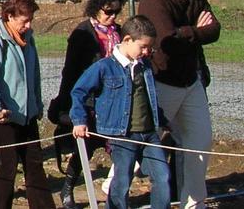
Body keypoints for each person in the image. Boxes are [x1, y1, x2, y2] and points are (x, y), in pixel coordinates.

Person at [140, 0, 220, 209]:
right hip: (163, 82)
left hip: (191, 81)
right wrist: (195, 32)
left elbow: (215, 29)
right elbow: (166, 42)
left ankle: (195, 203)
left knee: (200, 141)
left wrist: (188, 33)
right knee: (138, 143)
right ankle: (113, 193)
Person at [71, 15, 171, 209]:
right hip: (122, 135)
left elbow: (148, 97)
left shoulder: (146, 66)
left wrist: (162, 118)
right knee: (122, 180)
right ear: (127, 40)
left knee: (162, 176)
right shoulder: (104, 67)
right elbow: (79, 91)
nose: (146, 51)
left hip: (149, 134)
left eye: (149, 47)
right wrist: (79, 120)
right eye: (142, 46)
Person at [47, 0, 126, 208]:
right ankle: (67, 190)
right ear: (96, 9)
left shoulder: (119, 32)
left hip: (114, 102)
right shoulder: (82, 33)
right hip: (90, 100)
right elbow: (70, 71)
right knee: (85, 150)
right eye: (108, 12)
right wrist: (67, 103)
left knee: (121, 149)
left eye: (116, 13)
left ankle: (117, 194)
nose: (112, 17)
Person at [0, 0, 53, 209]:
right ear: (9, 16)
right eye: (24, 21)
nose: (28, 25)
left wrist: (36, 104)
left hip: (26, 114)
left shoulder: (29, 40)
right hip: (3, 116)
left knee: (35, 165)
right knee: (7, 166)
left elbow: (34, 75)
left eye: (30, 20)